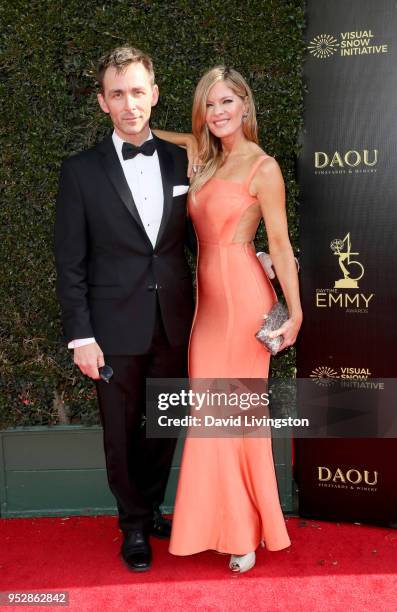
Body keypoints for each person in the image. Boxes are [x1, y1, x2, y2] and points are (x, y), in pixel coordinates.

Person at [54, 46, 196, 572]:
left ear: (154, 95)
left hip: (177, 323)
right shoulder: (80, 172)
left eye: (138, 91)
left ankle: (151, 505)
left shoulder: (184, 161)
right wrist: (81, 336)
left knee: (166, 422)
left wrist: (257, 254)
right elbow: (69, 263)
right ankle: (132, 524)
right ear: (102, 102)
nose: (130, 103)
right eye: (118, 94)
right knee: (121, 430)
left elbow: (203, 238)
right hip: (112, 329)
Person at [163, 66, 303, 573]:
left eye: (227, 102)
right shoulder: (203, 157)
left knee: (234, 416)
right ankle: (215, 524)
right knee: (210, 415)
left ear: (245, 104)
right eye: (209, 105)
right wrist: (129, 120)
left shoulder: (262, 167)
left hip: (244, 304)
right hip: (206, 308)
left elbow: (282, 246)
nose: (218, 113)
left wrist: (297, 311)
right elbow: (156, 134)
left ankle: (243, 532)